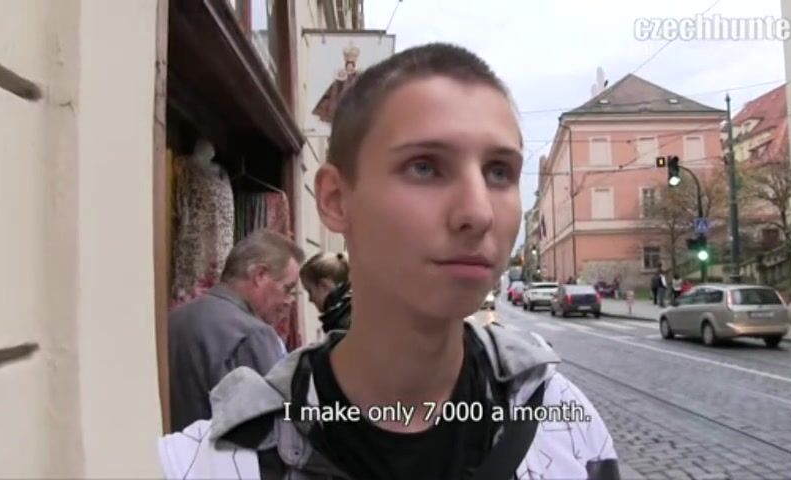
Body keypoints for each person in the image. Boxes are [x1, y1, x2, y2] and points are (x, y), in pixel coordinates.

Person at [158, 43, 619, 480]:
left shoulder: (565, 425)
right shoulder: (206, 464)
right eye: (425, 167)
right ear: (336, 199)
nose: (479, 212)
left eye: (499, 172)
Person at [166, 229, 305, 432]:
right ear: (260, 275)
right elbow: (275, 429)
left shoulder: (175, 318)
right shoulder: (253, 334)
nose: (289, 301)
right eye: (287, 288)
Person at [300, 251, 352, 333]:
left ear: (323, 285)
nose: (310, 299)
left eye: (310, 291)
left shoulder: (342, 326)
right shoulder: (352, 312)